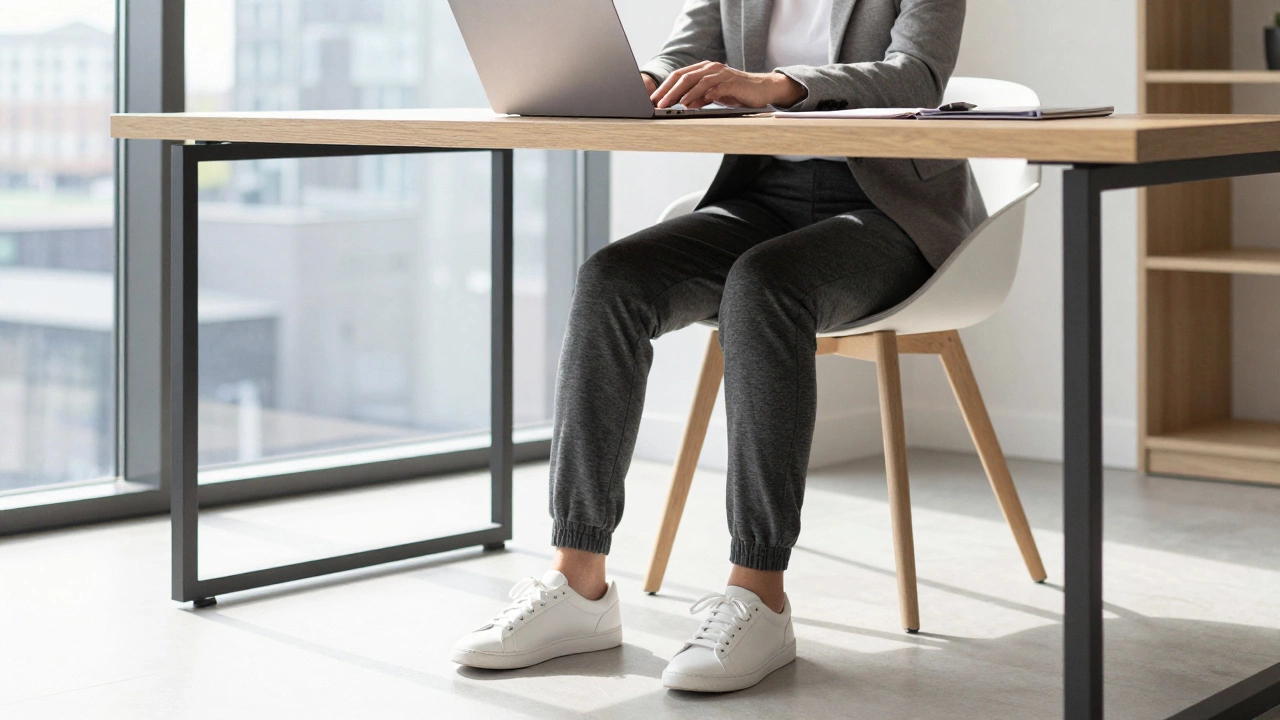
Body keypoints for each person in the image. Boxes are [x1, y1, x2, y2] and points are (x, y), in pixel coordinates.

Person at [452, 0, 983, 692]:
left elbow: (916, 78)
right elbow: (683, 53)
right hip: (766, 192)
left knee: (764, 286)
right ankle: (578, 583)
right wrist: (644, 81)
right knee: (611, 280)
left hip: (887, 210)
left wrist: (777, 84)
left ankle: (760, 595)